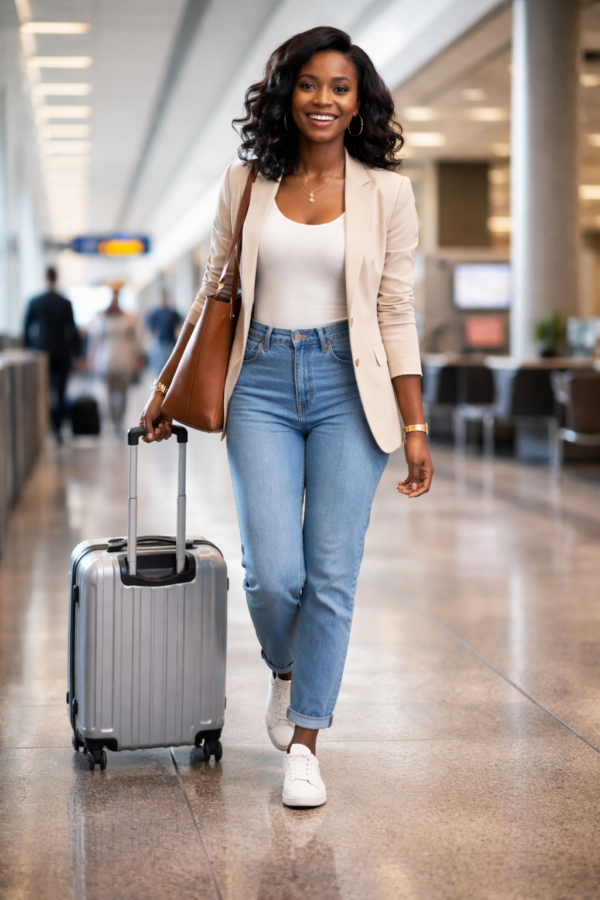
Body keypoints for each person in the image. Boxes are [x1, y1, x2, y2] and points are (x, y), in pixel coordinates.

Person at [140, 27, 434, 808]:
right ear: (286, 93)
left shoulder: (389, 192)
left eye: (340, 87)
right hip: (261, 383)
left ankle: (306, 741)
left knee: (332, 574)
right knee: (275, 573)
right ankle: (285, 668)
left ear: (359, 100)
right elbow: (212, 295)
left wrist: (414, 428)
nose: (325, 100)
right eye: (310, 84)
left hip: (350, 385)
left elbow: (395, 311)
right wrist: (165, 387)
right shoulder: (247, 184)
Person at [24, 266, 81, 443]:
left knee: (45, 391)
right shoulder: (65, 302)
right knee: (62, 391)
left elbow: (26, 328)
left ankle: (47, 426)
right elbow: (72, 330)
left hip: (42, 351)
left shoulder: (35, 301)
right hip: (62, 352)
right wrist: (77, 352)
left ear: (44, 277)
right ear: (56, 278)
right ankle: (58, 429)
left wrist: (31, 346)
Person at [88, 287, 140, 435]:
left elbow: (133, 341)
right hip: (107, 361)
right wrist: (90, 359)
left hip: (123, 359)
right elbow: (95, 341)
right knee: (110, 393)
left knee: (123, 392)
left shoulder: (127, 319)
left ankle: (120, 420)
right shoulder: (102, 318)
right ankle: (112, 422)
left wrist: (136, 357)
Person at [145, 290, 183, 375]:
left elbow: (180, 323)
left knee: (170, 364)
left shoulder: (172, 312)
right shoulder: (156, 312)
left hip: (171, 341)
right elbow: (150, 325)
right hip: (160, 342)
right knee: (161, 365)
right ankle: (161, 385)